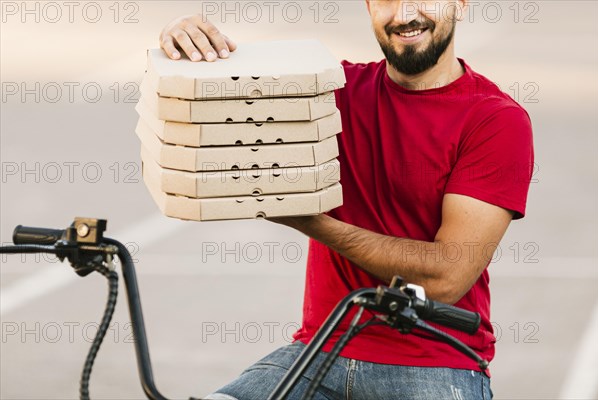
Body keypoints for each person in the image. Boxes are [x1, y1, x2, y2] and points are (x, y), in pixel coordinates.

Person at [158, 1, 534, 399]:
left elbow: (445, 278)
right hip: (319, 350)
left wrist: (313, 224)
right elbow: (218, 99)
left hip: (434, 362)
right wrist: (185, 39)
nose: (405, 14)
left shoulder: (495, 120)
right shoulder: (331, 90)